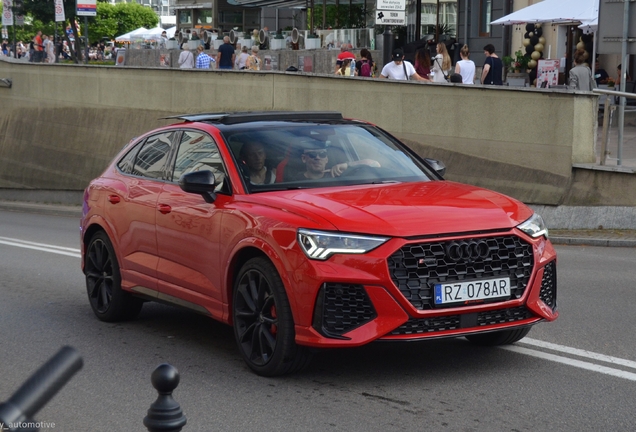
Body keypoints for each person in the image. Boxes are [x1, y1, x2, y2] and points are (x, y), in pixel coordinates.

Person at [288, 141, 380, 181]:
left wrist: (347, 165)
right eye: (312, 155)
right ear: (304, 159)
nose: (318, 157)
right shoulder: (295, 180)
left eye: (322, 154)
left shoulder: (337, 174)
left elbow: (376, 165)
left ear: (326, 159)